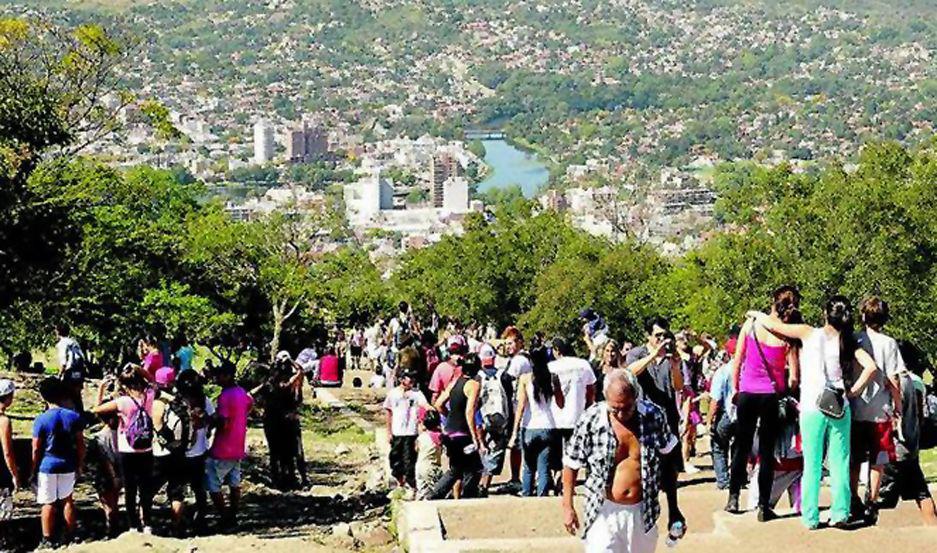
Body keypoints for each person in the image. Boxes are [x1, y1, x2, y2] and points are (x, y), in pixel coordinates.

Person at [748, 295, 880, 530]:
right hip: (839, 405)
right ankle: (840, 512)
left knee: (812, 464)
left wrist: (757, 315)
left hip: (811, 406)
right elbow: (871, 367)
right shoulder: (847, 340)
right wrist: (853, 391)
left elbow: (775, 326)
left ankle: (810, 517)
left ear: (825, 313)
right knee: (840, 462)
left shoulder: (807, 332)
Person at [561, 370, 678, 553]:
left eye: (627, 408)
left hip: (643, 513)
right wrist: (567, 506)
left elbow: (668, 464)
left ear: (636, 397)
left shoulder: (654, 416)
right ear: (605, 398)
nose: (621, 415)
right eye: (615, 408)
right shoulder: (590, 419)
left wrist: (674, 510)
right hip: (603, 511)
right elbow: (571, 463)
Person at [725, 286, 801, 520]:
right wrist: (785, 387)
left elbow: (737, 361)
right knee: (767, 452)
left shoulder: (751, 325)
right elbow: (794, 377)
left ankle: (734, 496)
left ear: (772, 302)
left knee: (742, 446)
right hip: (771, 396)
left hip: (748, 391)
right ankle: (762, 506)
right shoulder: (786, 334)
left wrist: (736, 389)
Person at [625, 317, 685, 533]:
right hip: (643, 419)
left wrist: (676, 366)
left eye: (664, 335)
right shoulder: (638, 353)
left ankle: (674, 510)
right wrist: (653, 355)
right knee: (643, 466)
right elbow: (630, 372)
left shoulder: (671, 357)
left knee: (670, 467)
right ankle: (643, 512)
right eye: (657, 335)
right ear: (648, 336)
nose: (662, 339)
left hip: (668, 418)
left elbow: (678, 386)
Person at [849, 296, 903, 523]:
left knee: (855, 458)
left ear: (863, 316)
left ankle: (852, 498)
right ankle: (872, 500)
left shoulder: (854, 339)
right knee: (877, 459)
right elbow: (893, 378)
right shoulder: (889, 343)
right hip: (880, 408)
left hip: (856, 407)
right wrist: (898, 405)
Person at [92, 364, 156, 533]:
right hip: (147, 449)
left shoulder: (122, 402)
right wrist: (137, 368)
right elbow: (152, 380)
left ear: (125, 385)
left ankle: (133, 525)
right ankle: (147, 523)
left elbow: (96, 409)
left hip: (127, 450)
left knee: (130, 489)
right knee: (145, 489)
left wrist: (101, 389)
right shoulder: (149, 396)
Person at [876, 353, 937, 525]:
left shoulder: (893, 382)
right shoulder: (916, 382)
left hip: (894, 447)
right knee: (921, 492)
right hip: (910, 444)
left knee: (876, 496)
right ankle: (932, 526)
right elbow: (920, 416)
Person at [32, 377, 85, 548]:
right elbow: (80, 445)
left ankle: (47, 539)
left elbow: (36, 448)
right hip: (68, 464)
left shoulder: (41, 419)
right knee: (67, 500)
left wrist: (34, 468)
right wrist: (79, 464)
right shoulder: (73, 417)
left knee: (48, 502)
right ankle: (71, 534)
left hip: (47, 465)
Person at [509, 347, 564, 496]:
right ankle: (542, 496)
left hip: (529, 426)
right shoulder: (552, 378)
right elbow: (560, 403)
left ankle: (527, 494)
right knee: (544, 466)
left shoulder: (525, 379)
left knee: (528, 467)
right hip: (548, 425)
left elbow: (521, 406)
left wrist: (514, 432)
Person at [207, 361, 253, 529]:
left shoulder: (225, 395)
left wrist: (211, 421)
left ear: (227, 376)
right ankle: (233, 515)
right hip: (238, 445)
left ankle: (224, 516)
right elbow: (249, 405)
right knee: (234, 482)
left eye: (219, 375)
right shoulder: (242, 392)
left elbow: (224, 423)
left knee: (213, 483)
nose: (217, 378)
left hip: (223, 447)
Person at [431, 354, 484, 499]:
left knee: (457, 468)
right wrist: (474, 437)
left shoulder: (454, 382)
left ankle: (435, 495)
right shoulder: (473, 385)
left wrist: (449, 416)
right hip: (463, 433)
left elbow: (438, 404)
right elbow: (470, 411)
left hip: (449, 431)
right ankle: (468, 497)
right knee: (474, 468)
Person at [548, 337, 596, 481]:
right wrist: (588, 406)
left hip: (555, 416)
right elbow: (591, 388)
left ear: (557, 350)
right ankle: (570, 478)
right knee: (574, 452)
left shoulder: (551, 366)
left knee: (556, 451)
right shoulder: (583, 364)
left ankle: (558, 475)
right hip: (578, 414)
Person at [151, 367, 189, 536]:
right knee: (176, 491)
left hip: (159, 453)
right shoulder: (181, 401)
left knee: (148, 491)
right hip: (179, 452)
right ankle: (176, 524)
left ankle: (145, 524)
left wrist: (166, 443)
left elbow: (157, 427)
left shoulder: (158, 402)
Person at [175, 369, 213, 531]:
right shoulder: (205, 401)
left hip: (180, 451)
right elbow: (213, 419)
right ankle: (200, 518)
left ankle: (178, 521)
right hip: (199, 451)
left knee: (177, 489)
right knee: (199, 487)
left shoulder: (177, 401)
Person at [384, 370, 430, 495]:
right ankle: (400, 484)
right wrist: (388, 431)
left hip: (411, 432)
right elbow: (388, 412)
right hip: (397, 432)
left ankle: (412, 487)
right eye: (409, 378)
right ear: (402, 379)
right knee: (395, 460)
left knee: (409, 461)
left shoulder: (417, 394)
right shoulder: (393, 394)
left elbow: (425, 406)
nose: (412, 381)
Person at [476, 343, 514, 495]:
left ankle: (478, 483)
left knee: (481, 448)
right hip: (501, 419)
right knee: (495, 451)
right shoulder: (503, 376)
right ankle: (485, 483)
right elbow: (509, 399)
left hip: (482, 418)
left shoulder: (477, 377)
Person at [707, 335, 738, 490]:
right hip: (744, 414)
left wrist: (709, 420)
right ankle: (739, 478)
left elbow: (715, 399)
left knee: (718, 447)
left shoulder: (723, 371)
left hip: (726, 413)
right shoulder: (748, 369)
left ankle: (723, 480)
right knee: (739, 447)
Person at [502, 326, 532, 490]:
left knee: (517, 443)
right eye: (506, 343)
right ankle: (515, 477)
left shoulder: (519, 360)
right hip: (518, 404)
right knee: (516, 445)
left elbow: (506, 379)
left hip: (518, 405)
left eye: (511, 343)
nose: (508, 346)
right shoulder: (521, 359)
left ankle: (518, 478)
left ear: (520, 342)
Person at [86, 413, 122, 537]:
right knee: (115, 501)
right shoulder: (122, 434)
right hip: (119, 472)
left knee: (108, 506)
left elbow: (102, 460)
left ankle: (111, 530)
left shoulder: (98, 438)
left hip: (104, 475)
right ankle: (115, 527)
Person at [0, 379, 21, 523]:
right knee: (3, 512)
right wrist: (14, 474)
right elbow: (7, 451)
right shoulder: (3, 421)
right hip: (1, 474)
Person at [429, 335, 466, 404]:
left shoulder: (441, 367)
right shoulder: (468, 368)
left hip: (447, 406)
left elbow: (435, 394)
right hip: (461, 406)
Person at [415, 410, 443, 500]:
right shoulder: (439, 436)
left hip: (419, 466)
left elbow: (416, 448)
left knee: (422, 490)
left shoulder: (421, 437)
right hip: (431, 467)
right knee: (437, 489)